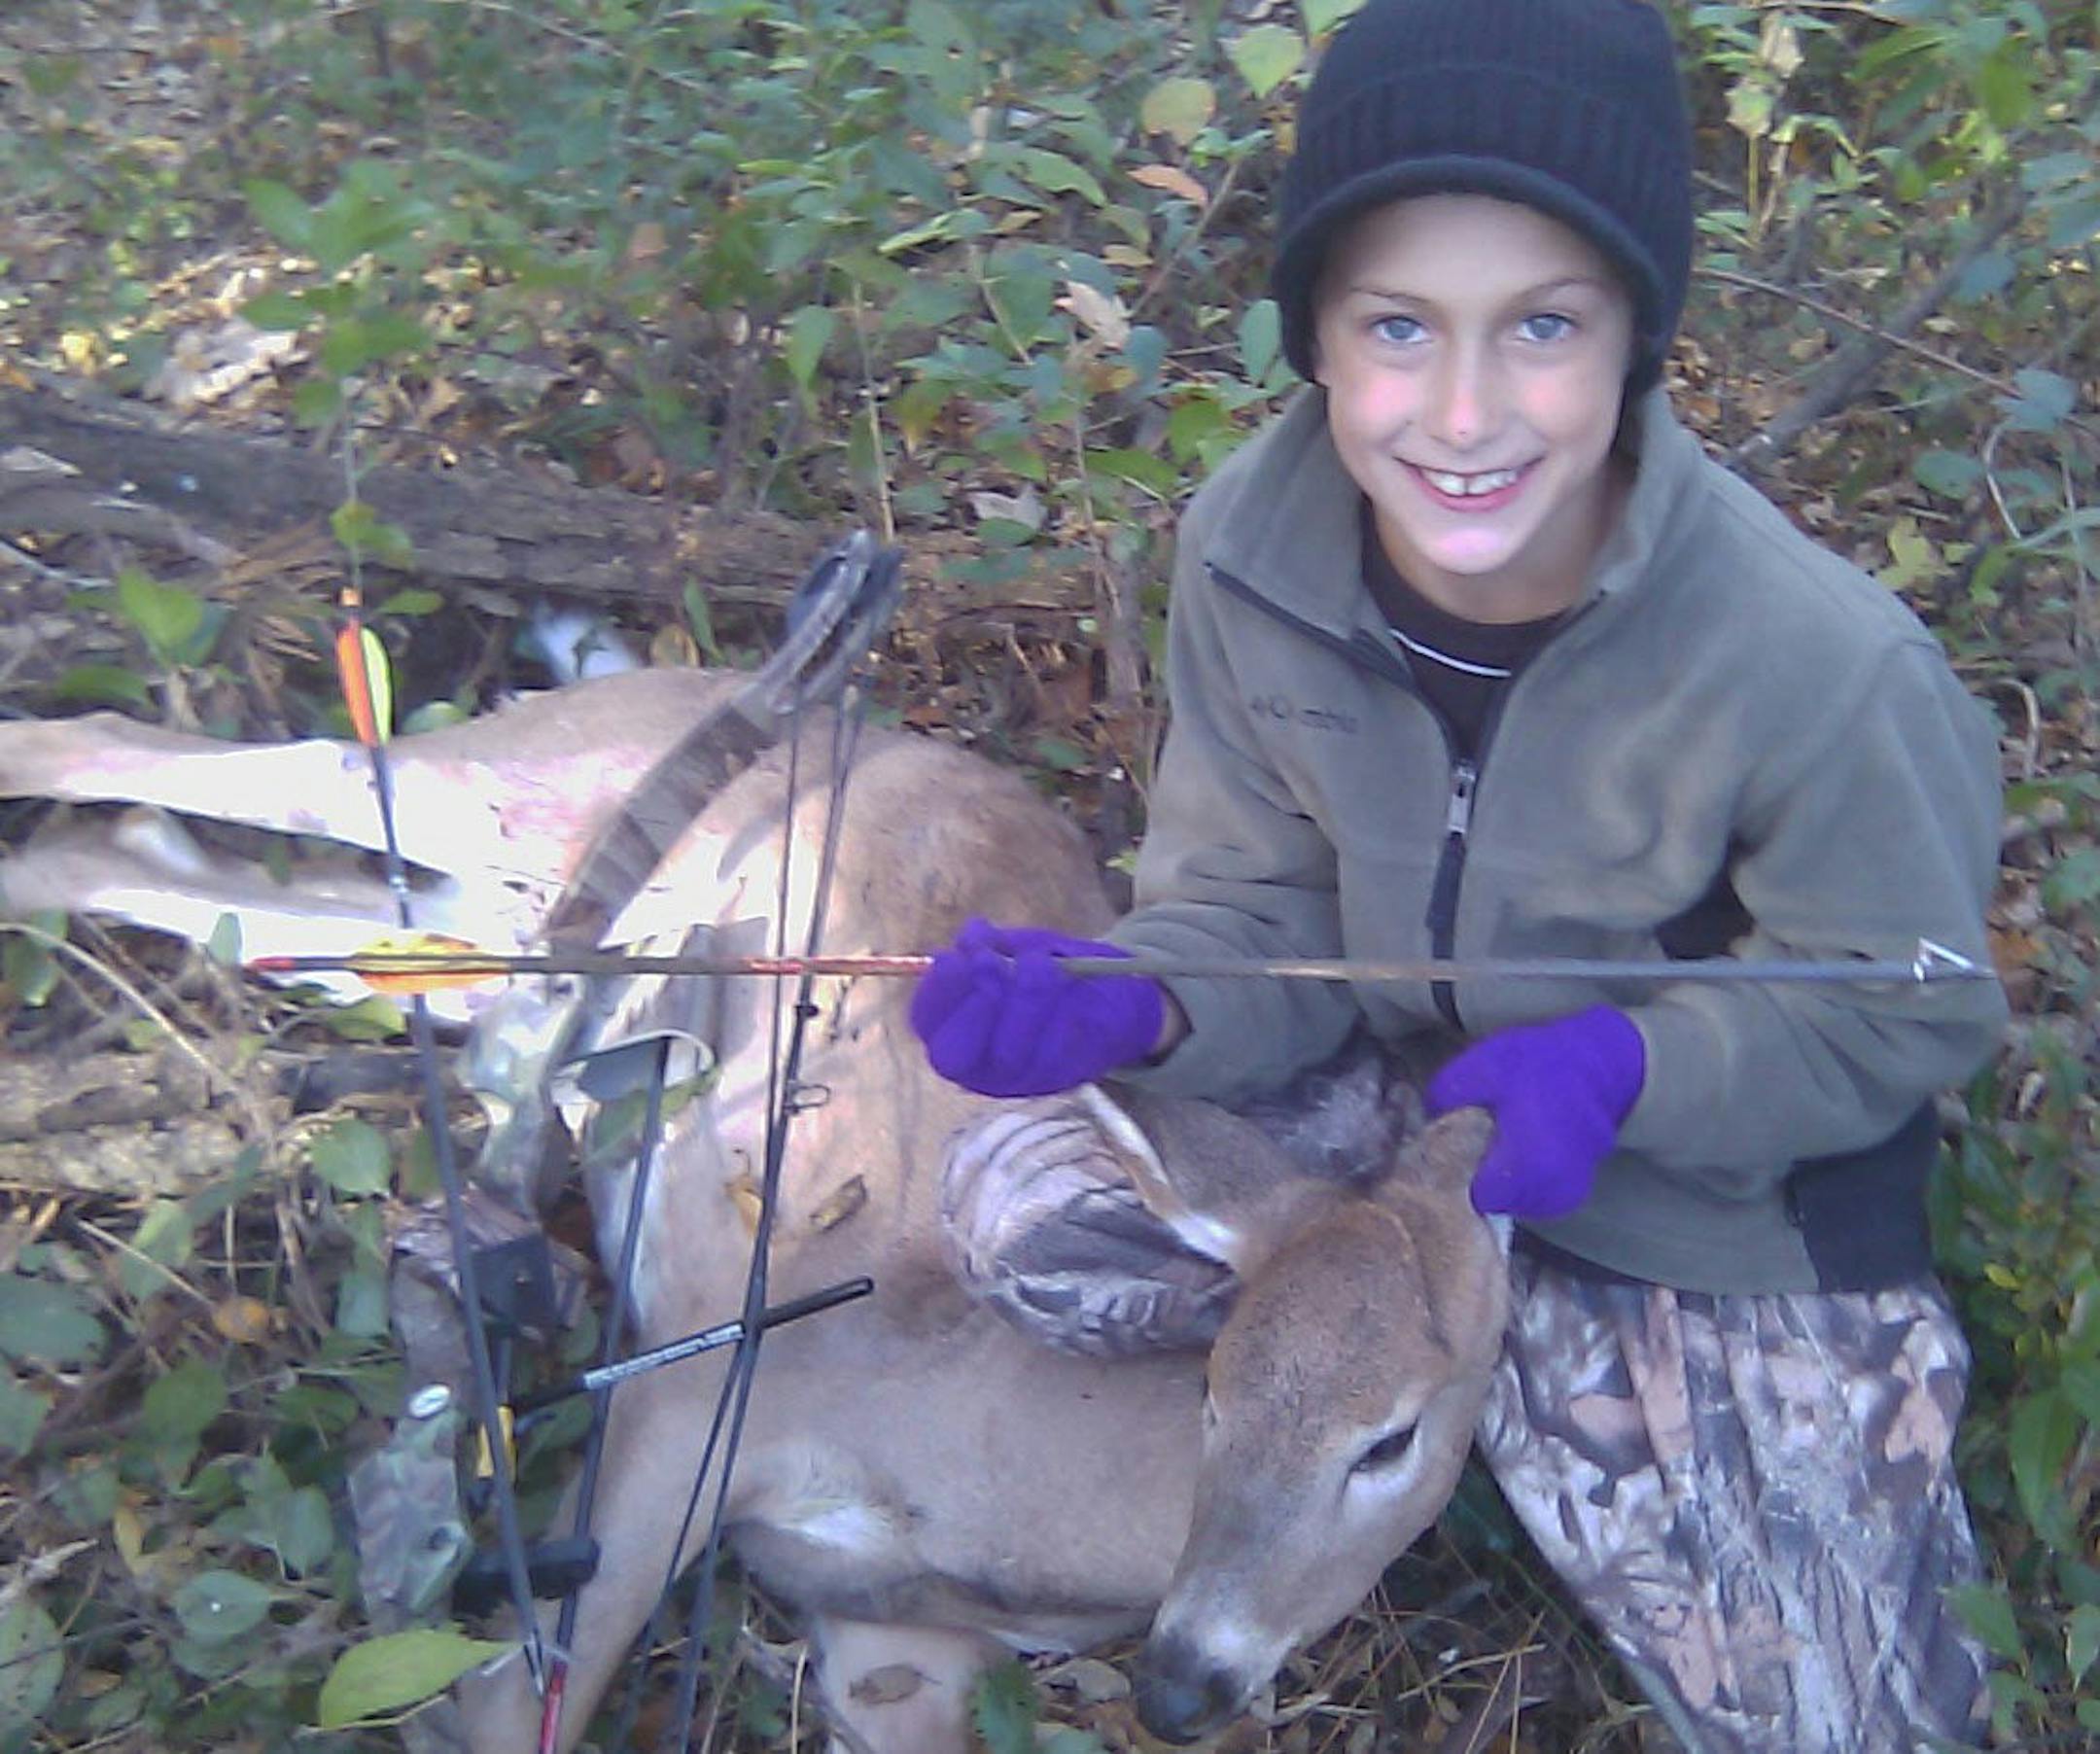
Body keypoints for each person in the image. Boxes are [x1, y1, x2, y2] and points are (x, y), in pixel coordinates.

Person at [908, 1, 2009, 1748]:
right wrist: (1145, 995)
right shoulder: (1253, 560)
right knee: (1015, 1209)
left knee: (1834, 1712)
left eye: (1544, 326)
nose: (1467, 412)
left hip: (1692, 1191)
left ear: (1639, 335)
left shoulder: (1819, 664)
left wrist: (1637, 1064)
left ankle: (1442, 1402)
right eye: (1401, 326)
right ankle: (1382, 1397)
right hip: (1384, 1117)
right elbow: (1255, 901)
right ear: (1319, 343)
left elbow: (1906, 1005)